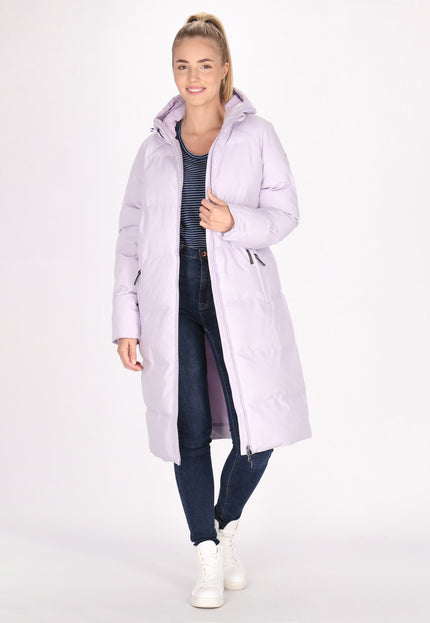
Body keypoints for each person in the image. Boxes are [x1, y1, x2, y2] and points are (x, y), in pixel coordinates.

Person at [112, 12, 312, 609]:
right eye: (183, 66)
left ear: (225, 70)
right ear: (173, 72)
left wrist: (233, 221)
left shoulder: (256, 135)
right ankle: (205, 554)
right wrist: (125, 322)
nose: (193, 77)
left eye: (204, 65)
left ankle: (222, 529)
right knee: (188, 431)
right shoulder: (154, 148)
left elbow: (285, 214)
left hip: (238, 302)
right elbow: (129, 238)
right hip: (170, 305)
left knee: (259, 432)